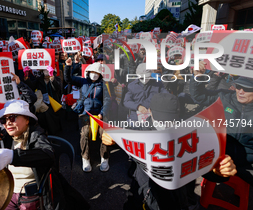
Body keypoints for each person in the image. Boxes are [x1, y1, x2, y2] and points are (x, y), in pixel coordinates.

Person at [103, 93, 237, 210]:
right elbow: (120, 137)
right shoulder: (138, 131)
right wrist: (111, 139)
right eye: (160, 120)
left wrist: (220, 171)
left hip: (179, 201)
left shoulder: (190, 136)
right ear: (150, 111)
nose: (164, 124)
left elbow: (207, 165)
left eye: (170, 121)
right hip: (142, 196)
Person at [0, 100, 55, 210]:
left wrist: (13, 156)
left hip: (30, 194)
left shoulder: (36, 134)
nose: (8, 123)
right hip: (7, 192)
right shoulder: (4, 137)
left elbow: (48, 155)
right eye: (3, 120)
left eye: (12, 117)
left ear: (26, 119)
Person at [191, 61, 253, 185]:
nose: (240, 91)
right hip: (222, 155)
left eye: (246, 89)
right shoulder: (225, 96)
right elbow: (199, 96)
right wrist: (199, 77)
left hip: (247, 161)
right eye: (238, 86)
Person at [64, 59, 110, 172]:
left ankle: (105, 158)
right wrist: (68, 66)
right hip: (85, 113)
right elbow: (68, 79)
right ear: (88, 72)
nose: (94, 74)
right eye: (92, 72)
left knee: (104, 134)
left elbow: (107, 100)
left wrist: (102, 113)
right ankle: (86, 158)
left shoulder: (104, 84)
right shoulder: (82, 81)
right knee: (84, 133)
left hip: (99, 114)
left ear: (100, 74)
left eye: (97, 73)